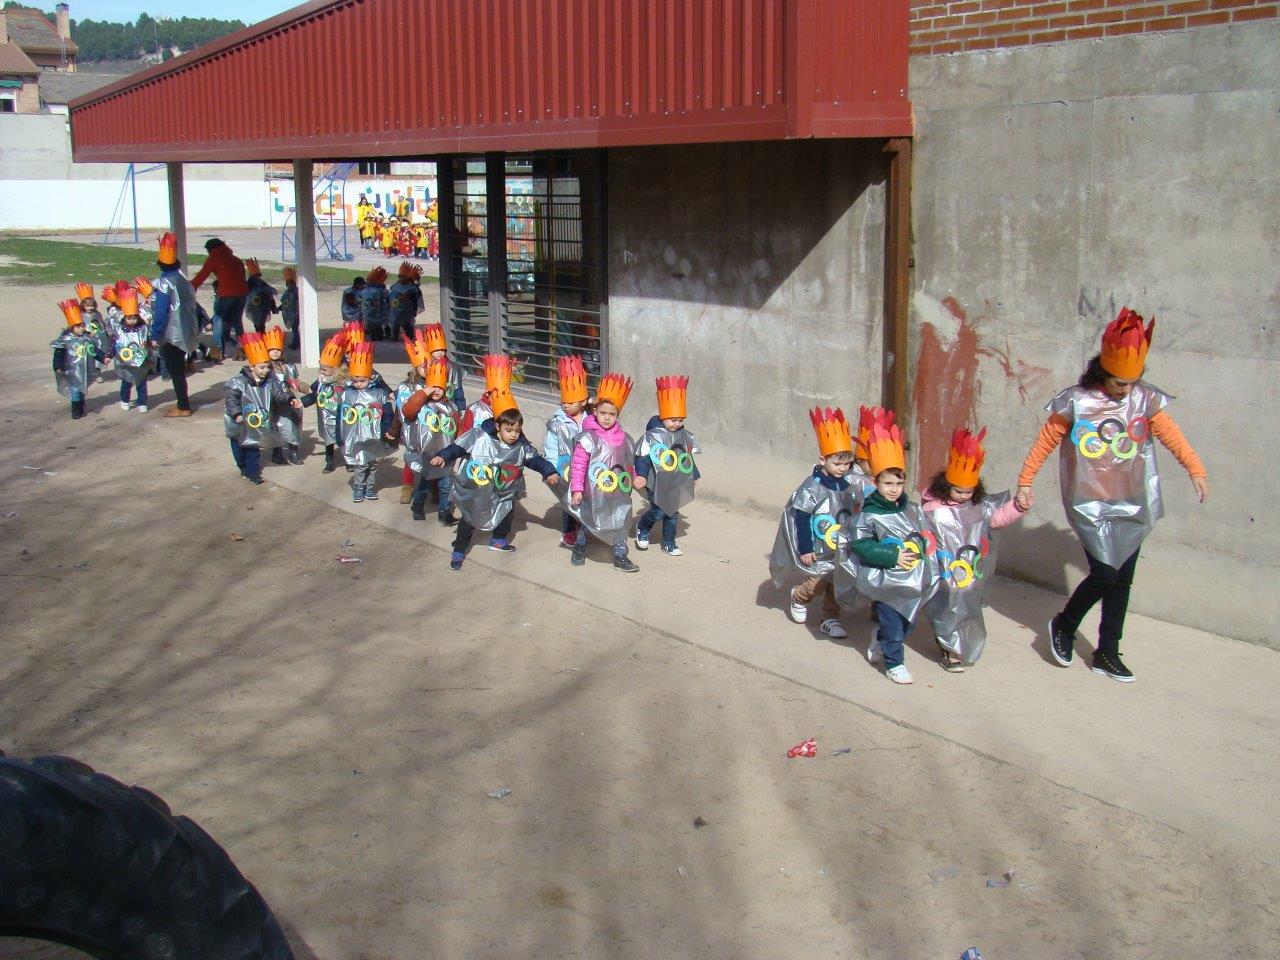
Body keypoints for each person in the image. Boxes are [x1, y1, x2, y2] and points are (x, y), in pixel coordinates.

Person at [1016, 308, 1208, 683]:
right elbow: (1046, 441)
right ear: (1102, 371)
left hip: (1132, 501)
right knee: (1104, 573)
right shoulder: (1075, 401)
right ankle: (1064, 625)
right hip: (1090, 504)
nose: (1127, 390)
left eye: (1133, 383)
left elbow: (1172, 436)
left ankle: (1107, 652)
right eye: (1121, 383)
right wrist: (1026, 481)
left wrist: (1195, 470)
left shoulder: (1144, 400)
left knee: (1123, 580)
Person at [921, 427, 1031, 671]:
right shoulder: (932, 509)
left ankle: (958, 644)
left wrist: (1018, 508)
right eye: (958, 490)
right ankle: (949, 649)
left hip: (969, 573)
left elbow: (996, 519)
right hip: (943, 572)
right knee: (947, 607)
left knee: (966, 606)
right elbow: (922, 534)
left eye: (968, 491)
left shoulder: (978, 507)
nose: (963, 496)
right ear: (945, 485)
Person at [848, 417, 937, 685]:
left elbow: (923, 535)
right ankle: (894, 663)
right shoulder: (870, 514)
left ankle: (881, 640)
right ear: (876, 482)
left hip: (911, 579)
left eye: (898, 484)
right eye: (888, 484)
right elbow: (861, 544)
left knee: (907, 621)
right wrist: (892, 556)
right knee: (893, 624)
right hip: (886, 582)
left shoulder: (910, 509)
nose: (894, 489)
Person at [430, 388, 560, 570]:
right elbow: (458, 447)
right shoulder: (479, 436)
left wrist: (549, 471)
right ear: (498, 426)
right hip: (477, 489)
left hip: (505, 490)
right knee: (469, 519)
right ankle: (459, 550)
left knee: (506, 513)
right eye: (509, 430)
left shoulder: (521, 445)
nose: (513, 434)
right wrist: (443, 456)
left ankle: (498, 540)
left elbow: (535, 459)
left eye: (517, 430)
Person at [770, 407, 864, 638]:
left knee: (837, 582)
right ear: (823, 459)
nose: (843, 469)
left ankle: (830, 619)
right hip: (819, 549)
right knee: (818, 582)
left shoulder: (850, 483)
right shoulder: (812, 487)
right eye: (837, 464)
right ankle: (798, 596)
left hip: (840, 547)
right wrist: (806, 549)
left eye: (847, 464)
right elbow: (801, 517)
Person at [568, 373, 645, 572]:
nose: (607, 418)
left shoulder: (626, 438)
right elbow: (578, 466)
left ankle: (620, 557)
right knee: (592, 522)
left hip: (619, 491)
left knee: (620, 521)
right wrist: (577, 489)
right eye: (603, 413)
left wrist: (636, 476)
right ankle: (580, 546)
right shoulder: (587, 438)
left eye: (612, 414)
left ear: (617, 414)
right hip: (594, 493)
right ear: (595, 411)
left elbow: (630, 463)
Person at [634, 375, 701, 556]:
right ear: (663, 415)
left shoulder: (682, 434)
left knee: (672, 512)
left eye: (680, 420)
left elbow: (686, 456)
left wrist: (693, 474)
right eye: (672, 419)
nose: (677, 423)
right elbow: (643, 456)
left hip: (675, 481)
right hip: (655, 481)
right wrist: (640, 474)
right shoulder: (652, 435)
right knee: (658, 511)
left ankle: (669, 542)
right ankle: (643, 527)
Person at [223, 332, 300, 484]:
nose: (266, 370)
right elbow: (231, 400)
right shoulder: (237, 382)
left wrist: (290, 399)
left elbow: (278, 394)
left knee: (253, 447)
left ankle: (253, 473)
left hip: (255, 422)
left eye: (267, 367)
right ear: (252, 367)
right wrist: (236, 414)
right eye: (262, 367)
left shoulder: (270, 382)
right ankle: (242, 466)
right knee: (239, 448)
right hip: (238, 421)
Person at [398, 351, 459, 525]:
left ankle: (444, 512)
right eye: (434, 387)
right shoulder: (420, 405)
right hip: (425, 454)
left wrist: (456, 449)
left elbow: (456, 427)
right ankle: (417, 506)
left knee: (446, 485)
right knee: (424, 485)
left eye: (440, 388)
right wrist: (424, 392)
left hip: (445, 453)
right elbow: (407, 411)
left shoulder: (450, 406)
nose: (437, 391)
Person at [335, 341, 397, 503]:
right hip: (354, 437)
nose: (358, 384)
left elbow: (387, 414)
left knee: (372, 464)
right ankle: (359, 487)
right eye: (355, 381)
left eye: (362, 381)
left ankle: (370, 487)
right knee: (360, 464)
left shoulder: (379, 393)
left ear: (369, 378)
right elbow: (339, 416)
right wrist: (339, 436)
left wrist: (387, 431)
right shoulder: (347, 394)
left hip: (373, 435)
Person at [149, 232, 200, 417]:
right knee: (179, 369)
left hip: (171, 333)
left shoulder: (164, 283)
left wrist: (156, 334)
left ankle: (183, 405)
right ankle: (183, 402)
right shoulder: (183, 280)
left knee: (176, 371)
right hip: (186, 329)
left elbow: (161, 311)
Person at [544, 355, 588, 549]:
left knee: (584, 499)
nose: (566, 405)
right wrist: (552, 469)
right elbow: (551, 447)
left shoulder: (590, 421)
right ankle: (568, 532)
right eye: (564, 401)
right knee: (567, 501)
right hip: (564, 468)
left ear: (584, 401)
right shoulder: (557, 422)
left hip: (585, 469)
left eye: (571, 402)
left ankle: (583, 528)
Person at [191, 237, 248, 363]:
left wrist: (190, 288)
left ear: (210, 249)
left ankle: (217, 352)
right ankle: (242, 348)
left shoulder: (214, 257)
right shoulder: (236, 259)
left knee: (218, 320)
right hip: (242, 293)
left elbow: (202, 275)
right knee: (237, 321)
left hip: (227, 294)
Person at [300, 335, 347, 474]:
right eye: (320, 368)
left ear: (335, 369)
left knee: (343, 438)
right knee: (328, 440)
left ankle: (349, 460)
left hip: (340, 416)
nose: (321, 372)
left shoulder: (343, 382)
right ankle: (329, 461)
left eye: (324, 369)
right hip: (326, 417)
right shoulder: (320, 381)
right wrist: (302, 402)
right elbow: (314, 393)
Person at [107, 284, 156, 413]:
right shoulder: (120, 330)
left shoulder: (143, 328)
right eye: (129, 318)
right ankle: (125, 400)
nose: (132, 320)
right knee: (126, 383)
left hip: (141, 361)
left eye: (134, 317)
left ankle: (142, 402)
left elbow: (149, 340)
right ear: (125, 318)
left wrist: (152, 346)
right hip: (125, 362)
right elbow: (114, 343)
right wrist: (108, 355)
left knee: (141, 383)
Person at [51, 299, 100, 419]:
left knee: (82, 387)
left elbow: (94, 351)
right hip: (72, 369)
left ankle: (82, 404)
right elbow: (59, 354)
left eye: (83, 326)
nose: (81, 329)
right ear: (72, 327)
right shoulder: (65, 339)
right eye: (78, 327)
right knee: (75, 389)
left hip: (85, 368)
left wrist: (103, 358)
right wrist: (58, 367)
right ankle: (76, 409)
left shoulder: (88, 337)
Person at [263, 327, 304, 465]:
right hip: (273, 403)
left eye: (278, 349)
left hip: (290, 401)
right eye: (272, 349)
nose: (275, 352)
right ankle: (277, 453)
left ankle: (293, 452)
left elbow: (296, 383)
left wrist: (309, 389)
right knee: (276, 427)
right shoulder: (265, 368)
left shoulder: (290, 367)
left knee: (293, 426)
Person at [388, 261, 423, 341]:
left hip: (407, 311)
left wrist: (414, 310)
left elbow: (415, 300)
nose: (401, 279)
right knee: (395, 324)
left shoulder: (411, 289)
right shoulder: (394, 286)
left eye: (403, 277)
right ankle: (395, 337)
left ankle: (409, 337)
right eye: (400, 277)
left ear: (407, 278)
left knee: (407, 325)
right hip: (395, 311)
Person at [243, 259, 279, 335]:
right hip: (261, 308)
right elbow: (274, 292)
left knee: (258, 326)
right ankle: (262, 338)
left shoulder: (250, 283)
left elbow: (243, 293)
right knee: (260, 326)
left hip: (255, 308)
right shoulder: (261, 284)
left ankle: (261, 339)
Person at [359, 266, 391, 341]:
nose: (366, 282)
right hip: (374, 313)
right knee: (376, 326)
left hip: (374, 313)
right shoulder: (377, 290)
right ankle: (379, 336)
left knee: (377, 326)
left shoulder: (369, 290)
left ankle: (380, 336)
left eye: (368, 280)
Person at [279, 266, 300, 350]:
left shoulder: (297, 292)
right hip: (289, 315)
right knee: (294, 329)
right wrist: (277, 309)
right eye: (288, 283)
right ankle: (296, 342)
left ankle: (296, 343)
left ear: (294, 284)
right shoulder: (286, 293)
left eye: (291, 283)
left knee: (295, 329)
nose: (290, 285)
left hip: (296, 314)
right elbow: (284, 304)